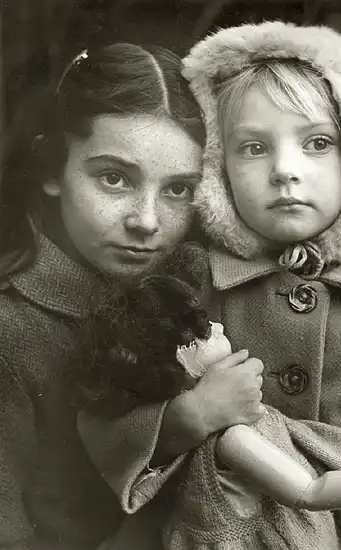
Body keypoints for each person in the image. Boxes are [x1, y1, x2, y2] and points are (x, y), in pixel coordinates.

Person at [77, 22, 341, 550]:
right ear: (217, 168)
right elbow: (104, 413)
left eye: (318, 143)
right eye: (253, 147)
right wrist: (185, 419)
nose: (284, 171)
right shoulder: (183, 283)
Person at [0, 41, 253, 550]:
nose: (147, 221)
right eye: (114, 179)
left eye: (178, 189)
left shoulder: (209, 289)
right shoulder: (12, 329)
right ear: (51, 169)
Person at [76, 241, 341, 550]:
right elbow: (311, 491)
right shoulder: (235, 437)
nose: (218, 324)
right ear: (184, 358)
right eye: (205, 333)